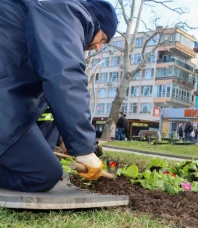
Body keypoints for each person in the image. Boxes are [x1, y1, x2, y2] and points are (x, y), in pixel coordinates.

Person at [0, 0, 118, 192]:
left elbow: (48, 93)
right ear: (96, 22)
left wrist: (58, 143)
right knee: (43, 175)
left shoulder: (48, 12)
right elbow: (65, 78)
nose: (98, 47)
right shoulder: (70, 16)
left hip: (7, 99)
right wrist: (85, 149)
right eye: (103, 39)